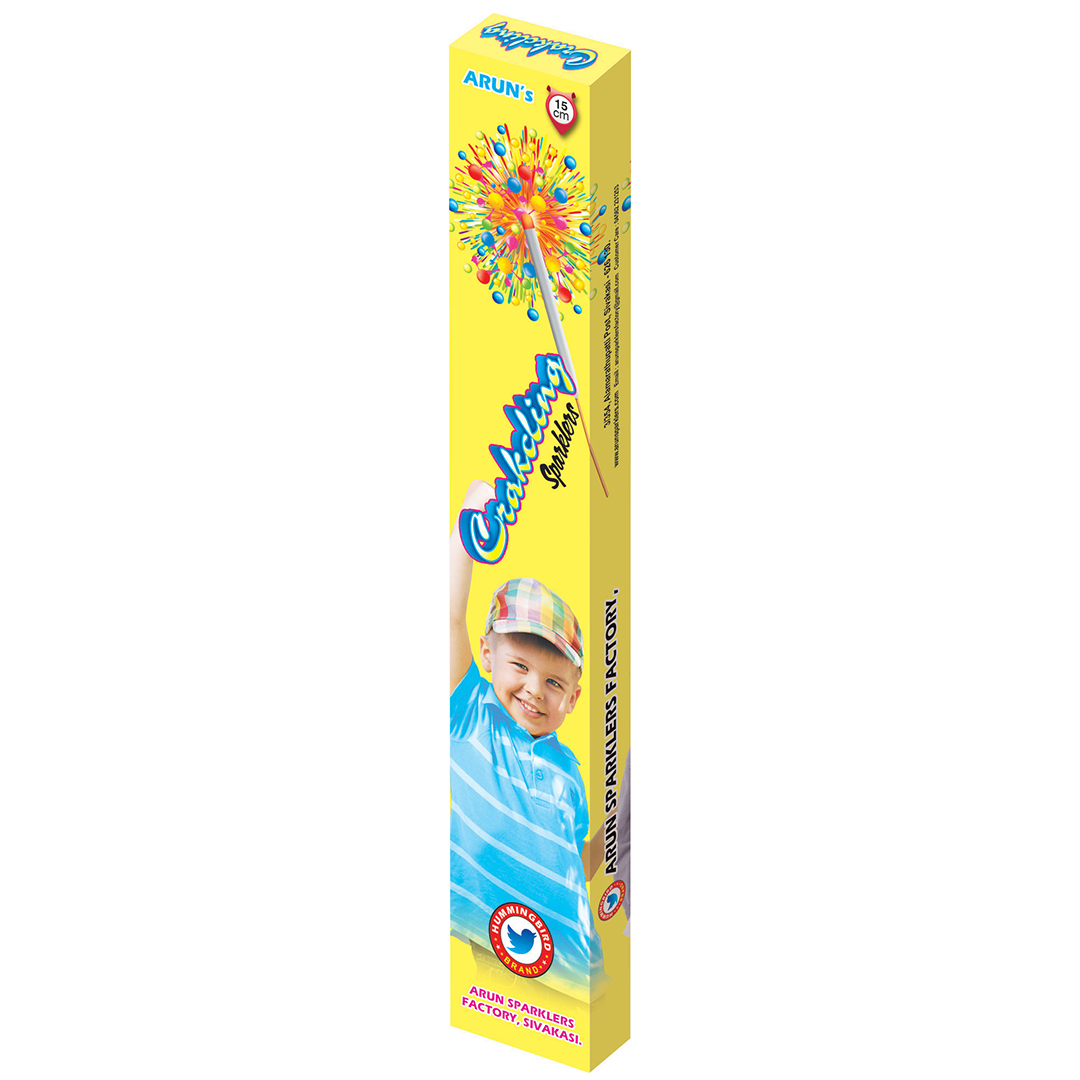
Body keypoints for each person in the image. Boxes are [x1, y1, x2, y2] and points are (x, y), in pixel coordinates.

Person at [450, 480, 604, 1000]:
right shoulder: (471, 717)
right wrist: (469, 522)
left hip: (572, 966)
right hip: (490, 940)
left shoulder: (569, 771)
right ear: (486, 656)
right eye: (520, 666)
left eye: (554, 682)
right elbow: (448, 618)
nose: (535, 690)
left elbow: (576, 860)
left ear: (574, 698)